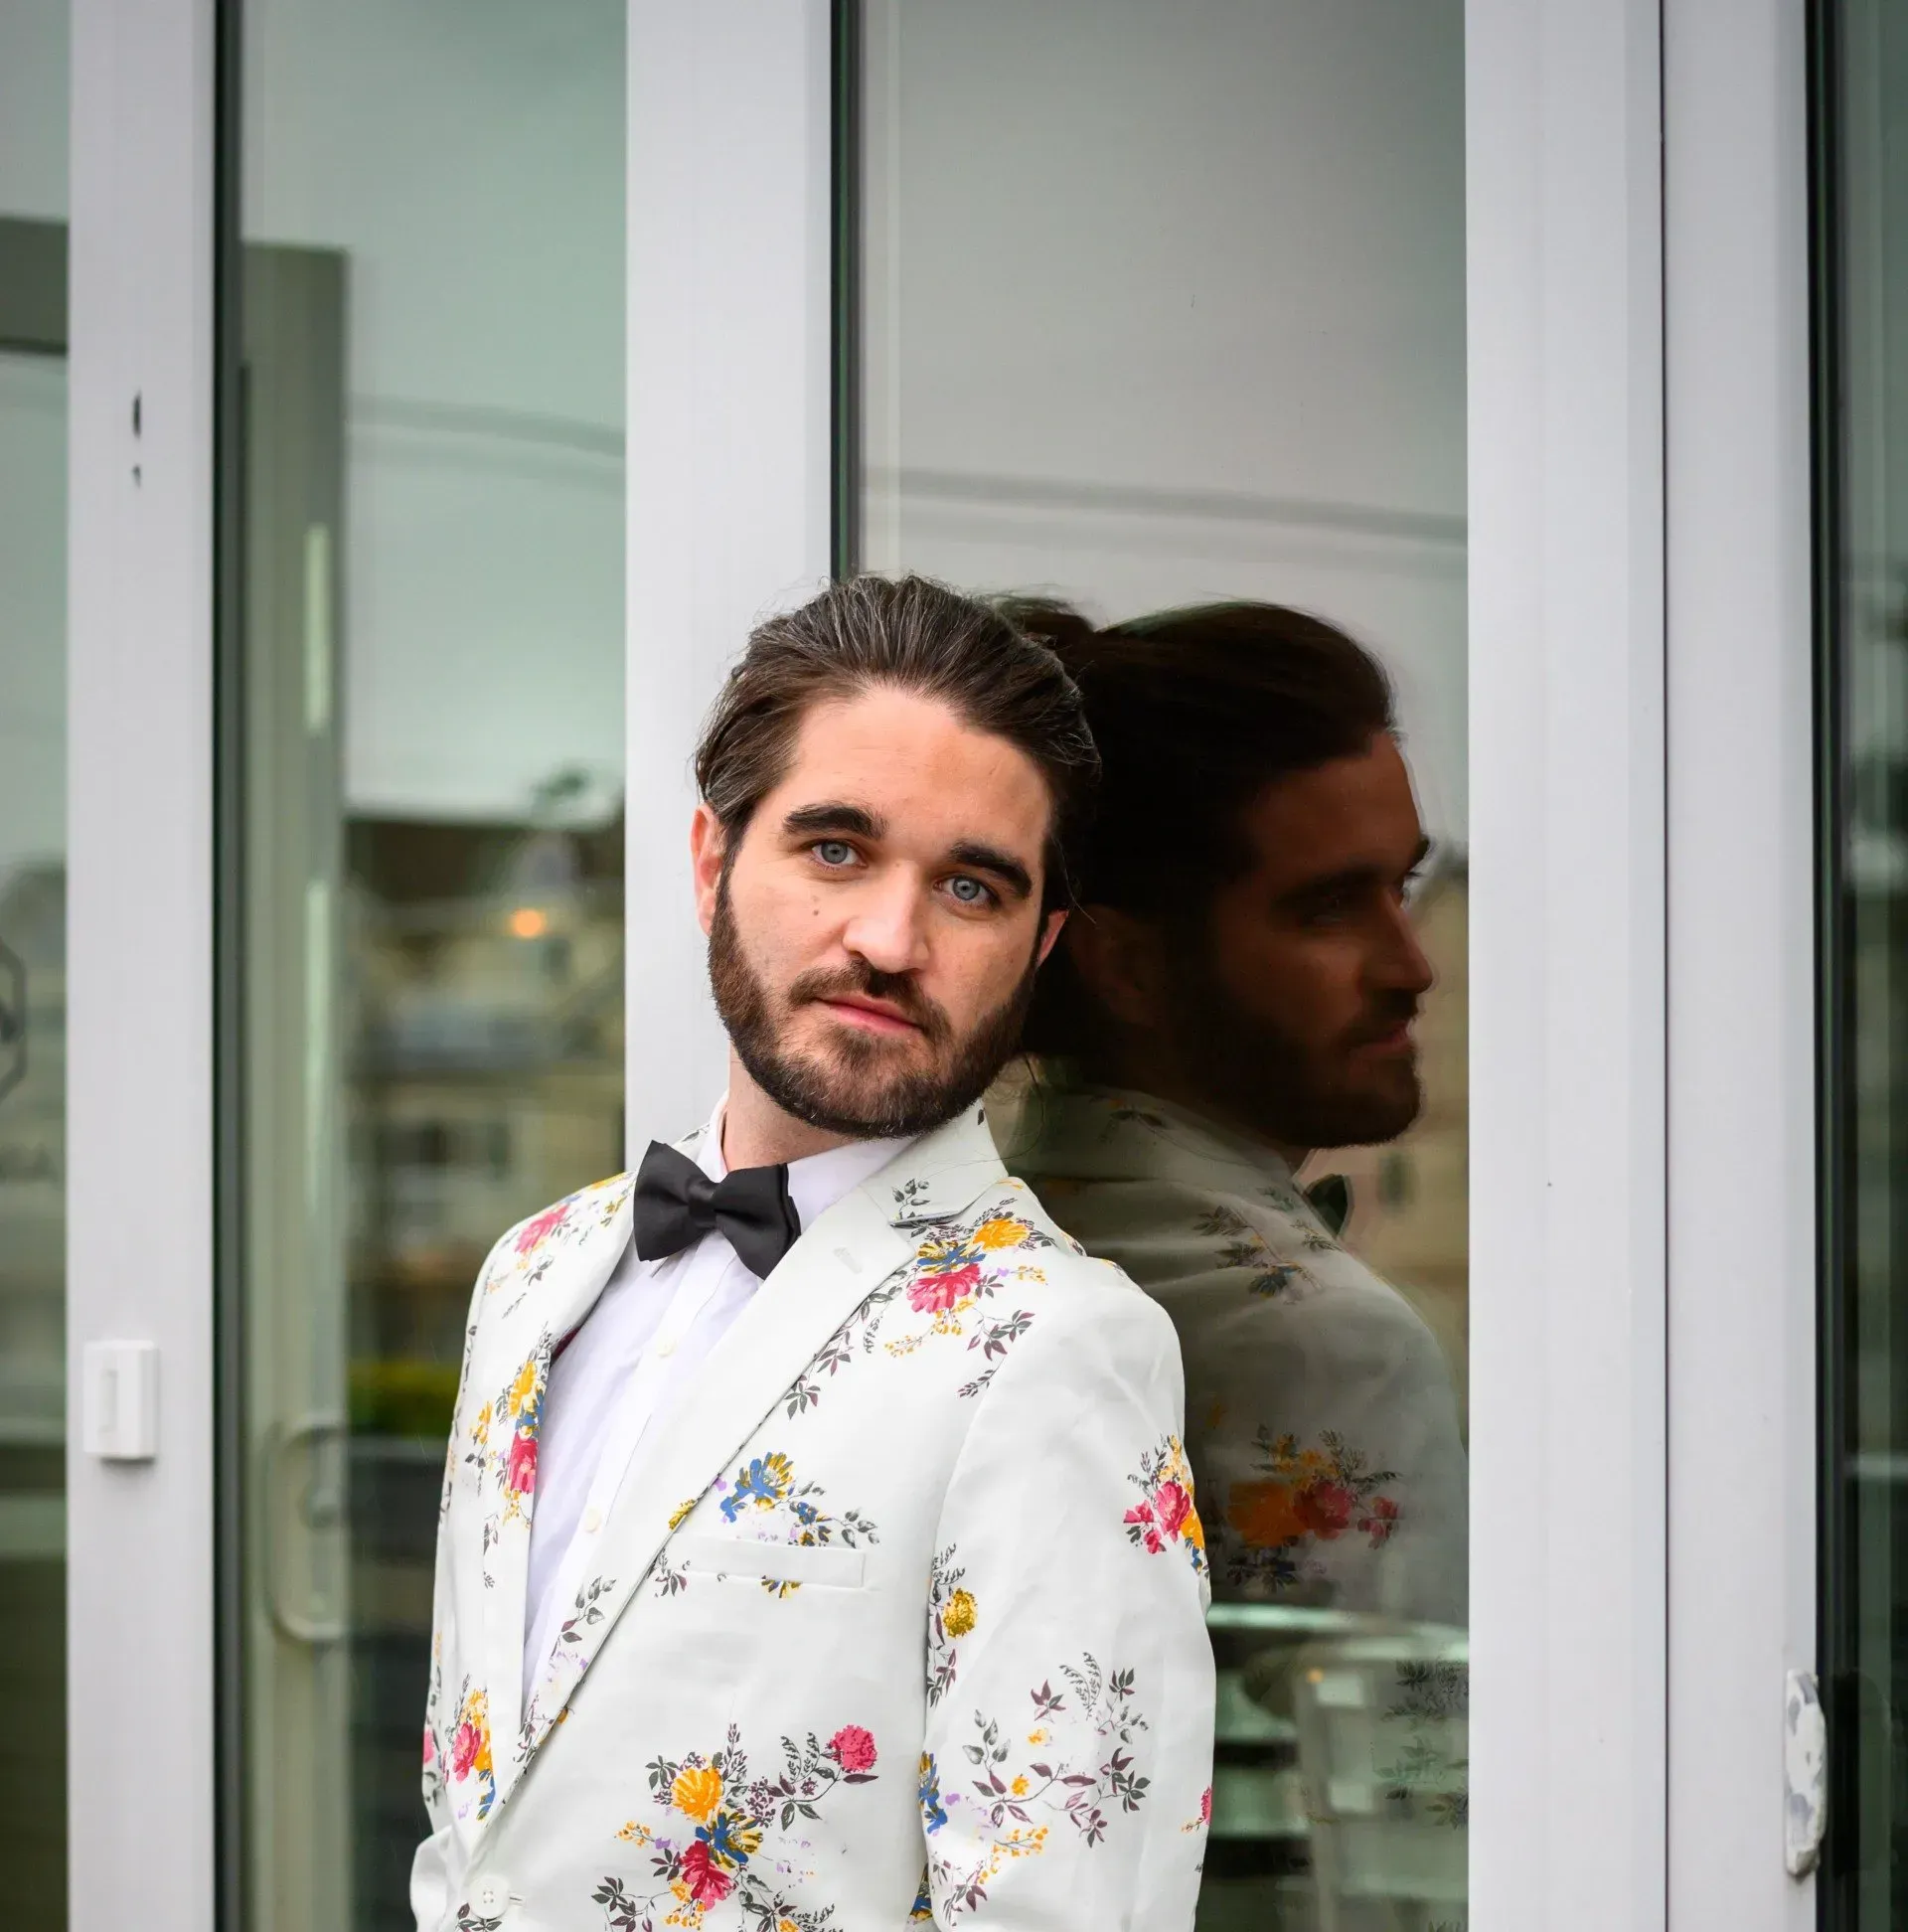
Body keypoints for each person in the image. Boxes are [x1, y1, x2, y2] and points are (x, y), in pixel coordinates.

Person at [412, 575, 1215, 1932]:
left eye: (970, 885)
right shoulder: (535, 1271)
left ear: (1041, 944)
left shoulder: (1060, 1346)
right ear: (713, 863)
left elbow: (1074, 1905)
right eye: (837, 850)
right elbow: (474, 1822)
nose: (890, 941)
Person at [999, 600, 1466, 1626]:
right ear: (1123, 963)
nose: (1411, 965)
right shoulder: (1324, 1341)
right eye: (1330, 908)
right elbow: (1393, 1771)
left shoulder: (957, 1248)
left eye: (1405, 887)